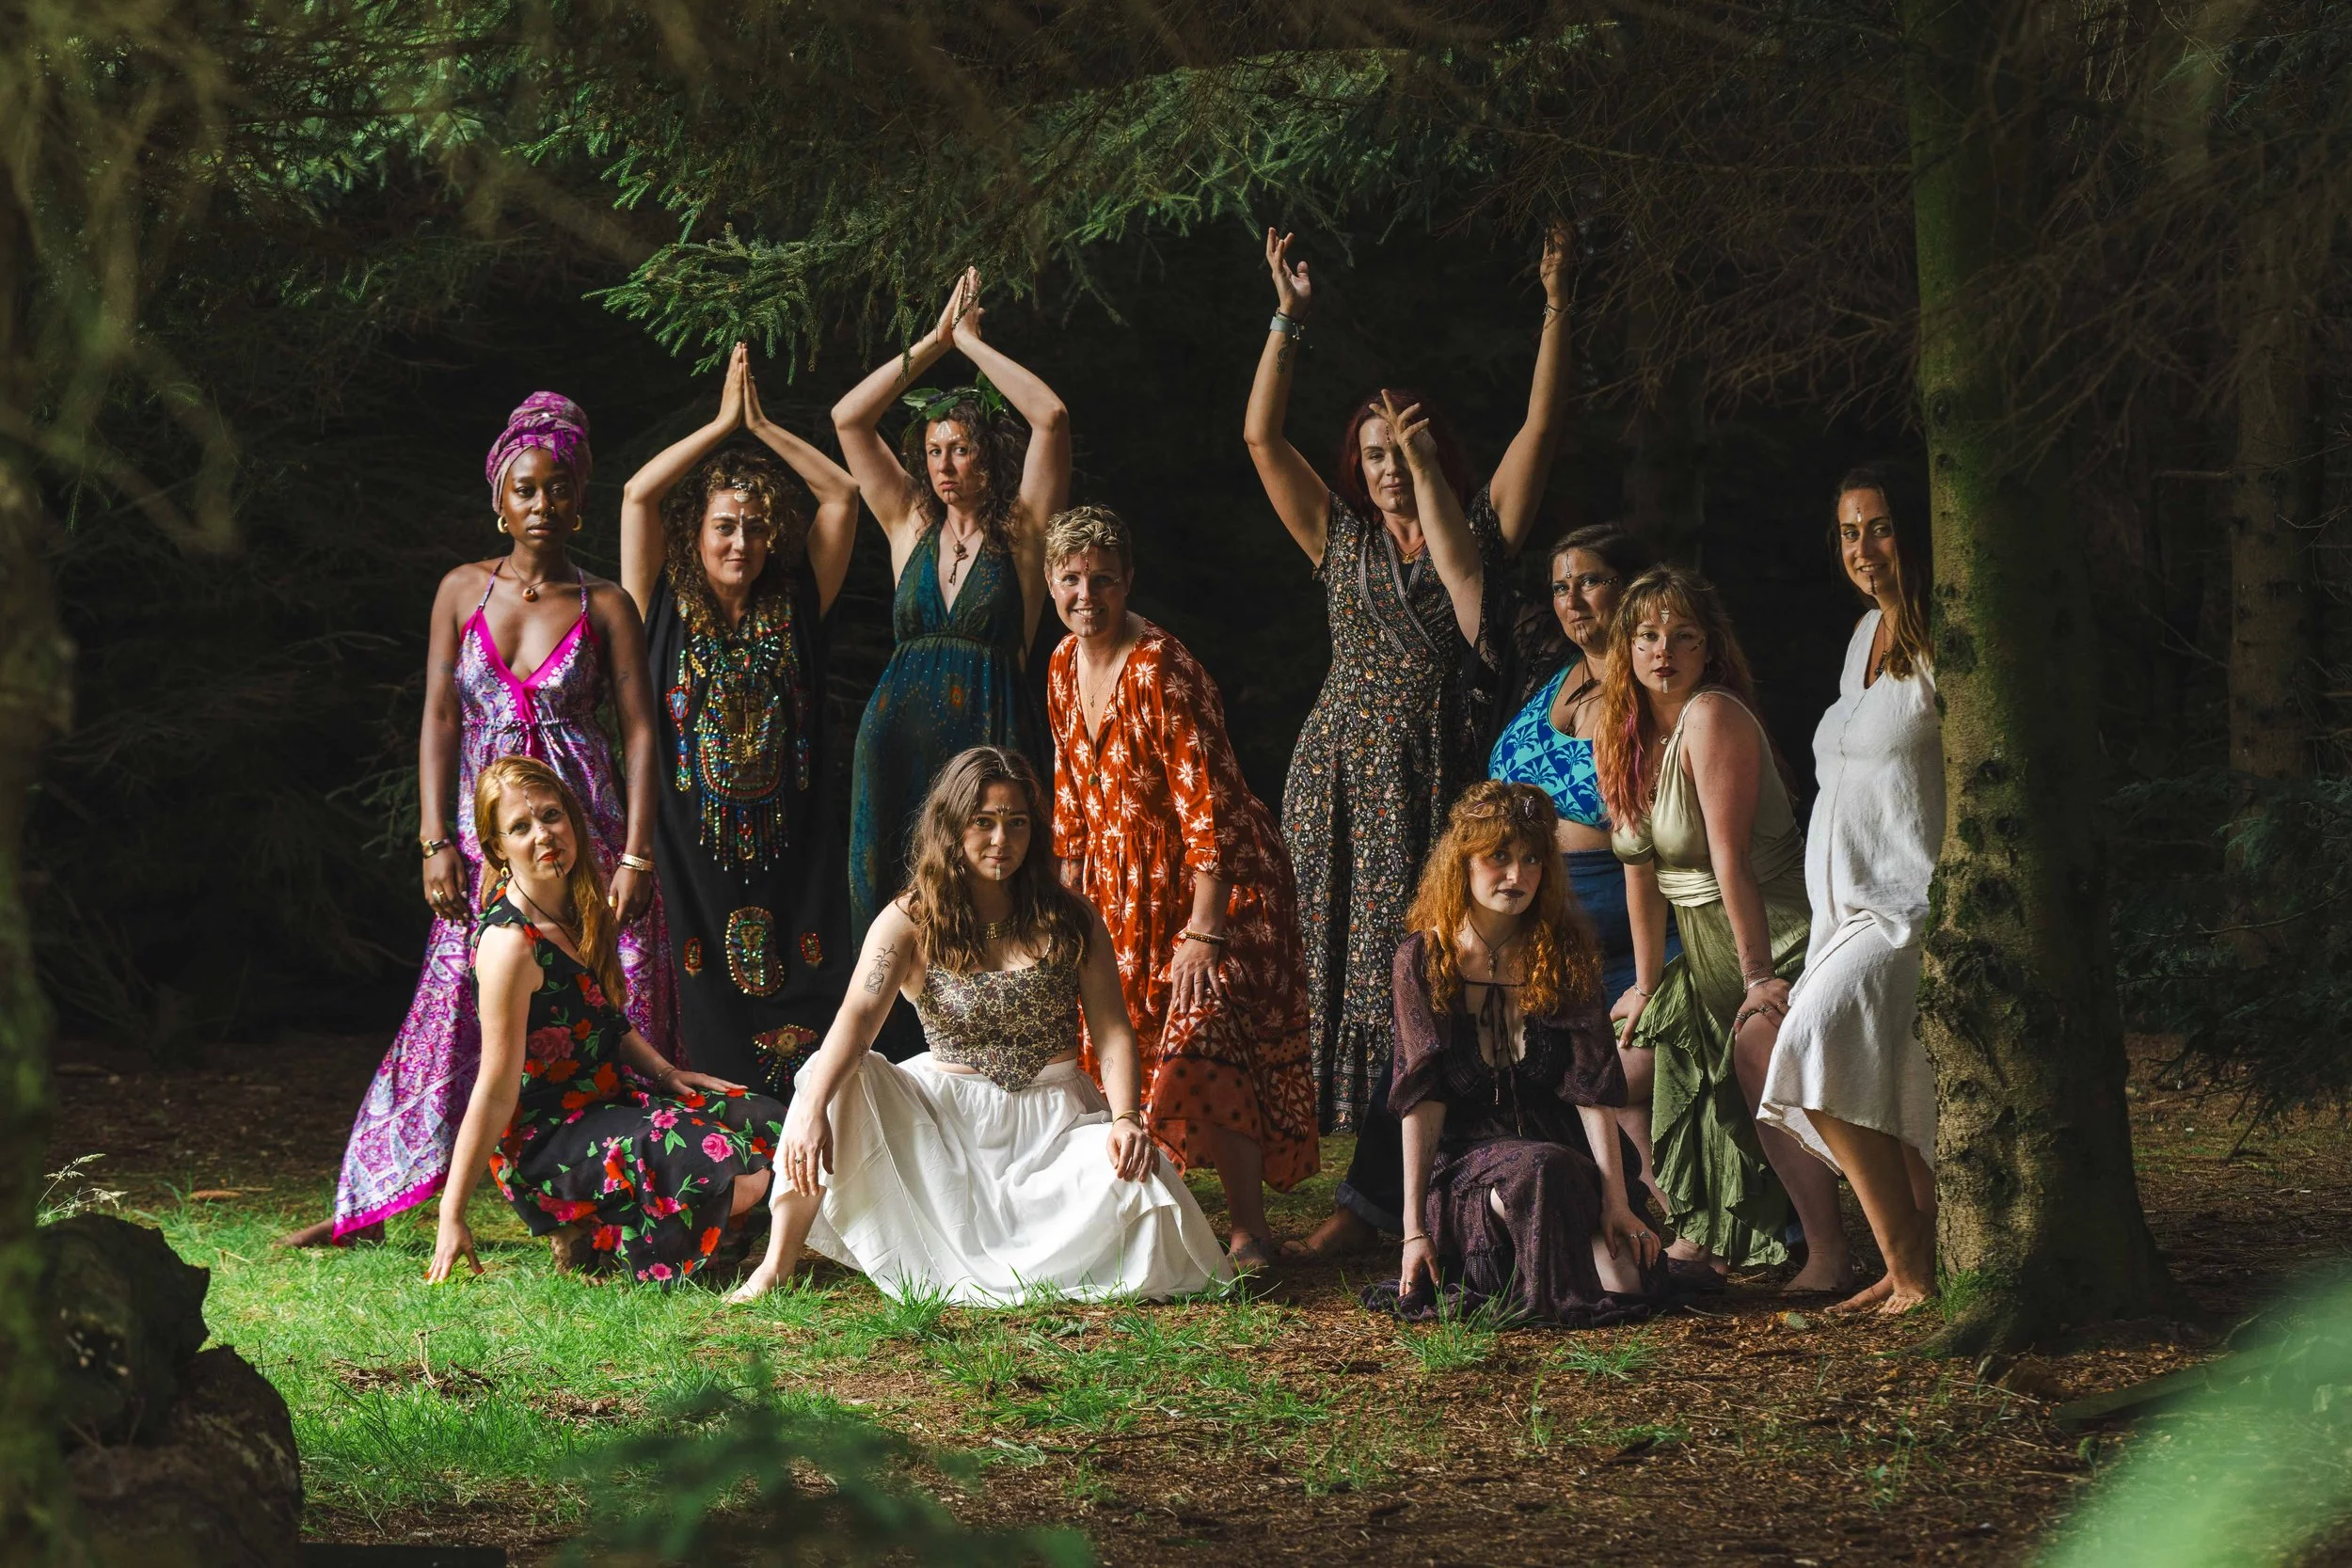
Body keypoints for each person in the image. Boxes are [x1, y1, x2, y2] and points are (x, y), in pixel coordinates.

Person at [1246, 223, 1577, 1257]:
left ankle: (1406, 1195)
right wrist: (1286, 321)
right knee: (1349, 980)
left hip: (1437, 778)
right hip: (1342, 779)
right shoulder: (1334, 536)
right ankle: (1370, 1195)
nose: (1390, 470)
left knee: (1430, 973)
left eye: (1406, 453)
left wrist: (1558, 305)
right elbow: (1260, 438)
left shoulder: (1474, 528)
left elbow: (1542, 424)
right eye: (1376, 455)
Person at [287, 392, 675, 1249]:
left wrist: (638, 857)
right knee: (450, 1007)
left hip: (587, 833)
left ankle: (608, 1207)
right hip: (486, 837)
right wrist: (435, 841)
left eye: (561, 488)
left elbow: (644, 732)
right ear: (497, 499)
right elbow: (438, 718)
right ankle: (373, 1197)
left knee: (612, 1005)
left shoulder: (606, 603)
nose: (544, 505)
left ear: (581, 498)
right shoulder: (461, 591)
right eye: (526, 489)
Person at [724, 747, 1232, 1306]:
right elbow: (858, 1017)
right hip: (944, 1131)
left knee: (1142, 1177)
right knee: (834, 1073)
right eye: (983, 822)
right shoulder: (908, 920)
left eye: (1016, 823)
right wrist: (814, 1108)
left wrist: (1126, 1119)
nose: (1001, 841)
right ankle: (776, 1264)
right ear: (951, 827)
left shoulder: (1071, 918)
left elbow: (1112, 1031)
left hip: (1054, 1128)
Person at [1041, 506, 1319, 1272]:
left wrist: (1205, 931)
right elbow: (1070, 793)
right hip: (1120, 882)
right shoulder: (1063, 665)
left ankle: (1250, 1231)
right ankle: (1146, 1213)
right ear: (1050, 585)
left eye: (1102, 577)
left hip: (1215, 882)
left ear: (1128, 579)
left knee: (1204, 1022)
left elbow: (1210, 808)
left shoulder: (1163, 667)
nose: (1086, 593)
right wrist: (1070, 895)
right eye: (1070, 578)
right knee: (1119, 1035)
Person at [426, 755, 783, 1286]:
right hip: (548, 1139)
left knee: (767, 1121)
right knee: (730, 1171)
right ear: (498, 848)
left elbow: (607, 1020)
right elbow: (495, 1088)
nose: (543, 834)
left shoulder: (581, 904)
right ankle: (595, 1231)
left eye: (551, 816)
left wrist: (667, 1074)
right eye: (520, 827)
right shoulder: (508, 947)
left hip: (609, 1103)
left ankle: (622, 1229)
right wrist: (451, 1213)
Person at [619, 343, 860, 1094]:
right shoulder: (656, 601)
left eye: (756, 528)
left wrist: (761, 426)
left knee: (805, 975)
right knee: (698, 990)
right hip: (686, 841)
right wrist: (723, 425)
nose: (741, 542)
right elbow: (636, 497)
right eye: (725, 525)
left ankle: (799, 1127)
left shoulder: (794, 600)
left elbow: (843, 496)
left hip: (792, 840)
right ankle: (712, 1129)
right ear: (697, 531)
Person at [1600, 566, 1846, 1289]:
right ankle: (1695, 1227)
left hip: (1771, 934)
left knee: (1754, 1053)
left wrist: (1757, 979)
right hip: (1699, 952)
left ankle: (1829, 1252)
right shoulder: (1623, 731)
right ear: (1628, 646)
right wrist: (1646, 985)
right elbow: (1639, 870)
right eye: (1646, 635)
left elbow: (1729, 860)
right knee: (1615, 1070)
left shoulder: (1712, 716)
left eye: (1683, 635)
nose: (1662, 650)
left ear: (1709, 648)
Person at [1366, 782, 1666, 1325]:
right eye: (1498, 856)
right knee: (1537, 1171)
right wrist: (1413, 1229)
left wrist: (1617, 1200)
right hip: (1471, 1165)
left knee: (1624, 1289)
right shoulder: (1424, 959)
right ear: (1462, 862)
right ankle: (1504, 1262)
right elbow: (1421, 1100)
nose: (1517, 875)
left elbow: (1592, 1088)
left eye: (1532, 859)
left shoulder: (1564, 951)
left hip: (1564, 1151)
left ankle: (1560, 1247)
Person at [832, 267, 1069, 945]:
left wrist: (971, 346)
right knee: (892, 904)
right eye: (933, 450)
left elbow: (1050, 417)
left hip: (988, 732)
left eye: (960, 448)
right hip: (894, 743)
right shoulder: (909, 521)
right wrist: (933, 342)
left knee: (991, 899)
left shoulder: (1022, 529)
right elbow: (849, 418)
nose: (944, 464)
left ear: (989, 455)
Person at [1758, 468, 1942, 1313]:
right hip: (1845, 909)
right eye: (1846, 532)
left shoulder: (1945, 636)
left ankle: (1908, 1265)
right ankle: (1912, 1264)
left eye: (1879, 528)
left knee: (1814, 1041)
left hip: (1907, 904)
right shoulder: (1865, 631)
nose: (1862, 549)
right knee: (1884, 1080)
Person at [1488, 524, 1685, 1214]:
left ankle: (1657, 1214)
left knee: (1618, 1072)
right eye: (1560, 586)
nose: (1572, 599)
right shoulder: (1558, 680)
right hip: (1541, 919)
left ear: (1629, 586)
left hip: (1631, 927)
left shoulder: (1649, 687)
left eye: (1590, 580)